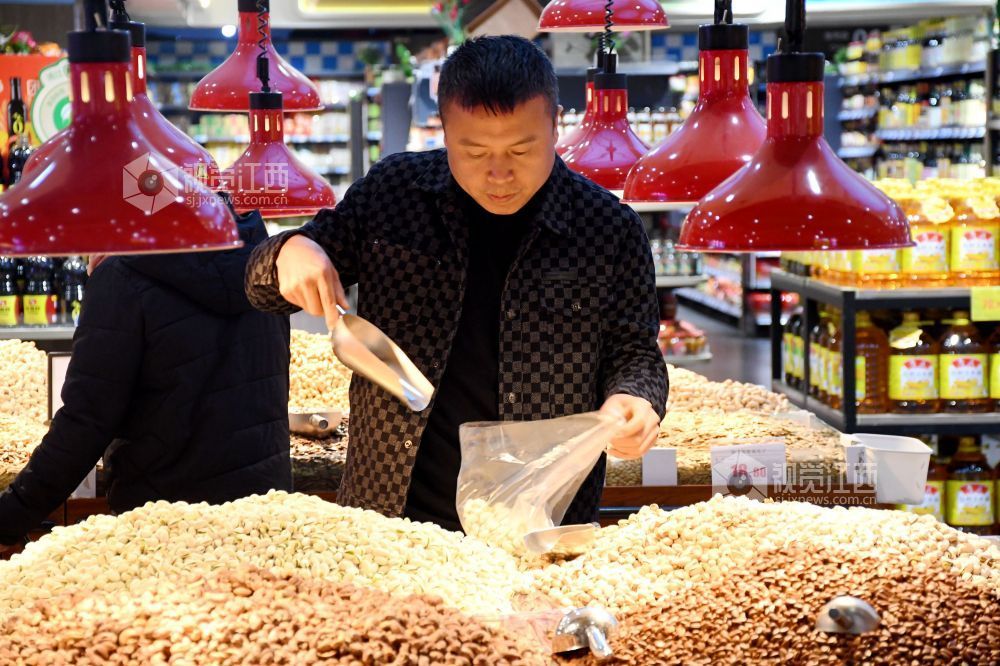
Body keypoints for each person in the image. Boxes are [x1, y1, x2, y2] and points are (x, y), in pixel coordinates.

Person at [245, 35, 667, 531]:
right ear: (444, 131)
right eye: (473, 151)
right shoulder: (395, 195)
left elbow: (635, 351)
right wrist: (288, 252)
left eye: (521, 149)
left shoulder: (607, 227)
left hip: (540, 518)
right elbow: (262, 288)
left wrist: (637, 399)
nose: (499, 174)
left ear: (555, 125)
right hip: (392, 511)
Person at [0, 205, 292, 551]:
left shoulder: (122, 278)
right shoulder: (265, 259)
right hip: (267, 518)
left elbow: (86, 423)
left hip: (164, 525)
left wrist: (12, 514)